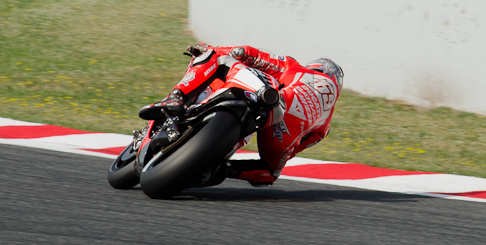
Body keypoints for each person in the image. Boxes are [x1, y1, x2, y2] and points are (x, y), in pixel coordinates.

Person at [144, 44, 344, 187]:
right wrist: (283, 150)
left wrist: (210, 49)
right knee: (269, 173)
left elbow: (247, 53)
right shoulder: (325, 125)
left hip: (273, 99)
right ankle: (225, 168)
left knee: (214, 57)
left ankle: (176, 96)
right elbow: (301, 145)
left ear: (316, 67)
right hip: (282, 133)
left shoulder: (297, 69)